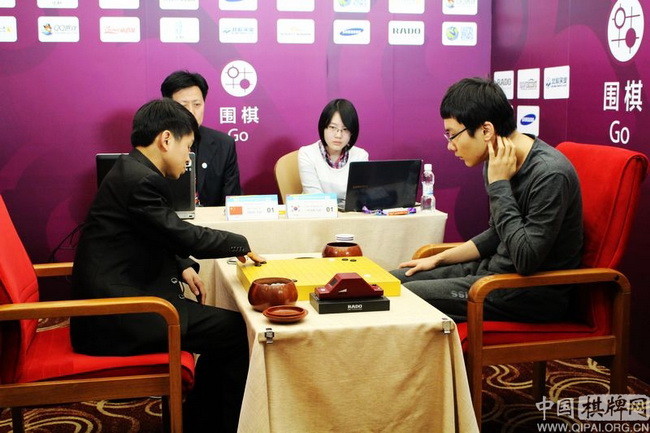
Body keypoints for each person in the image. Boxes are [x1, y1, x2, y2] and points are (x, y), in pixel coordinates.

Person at [70, 98, 264, 432]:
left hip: (122, 297)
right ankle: (216, 424)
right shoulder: (141, 181)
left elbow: (154, 233)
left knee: (228, 331)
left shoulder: (132, 169)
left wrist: (182, 264)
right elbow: (183, 234)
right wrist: (240, 243)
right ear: (166, 139)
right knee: (237, 332)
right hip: (119, 315)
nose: (189, 159)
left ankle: (202, 419)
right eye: (187, 148)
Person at [391, 77, 583, 323]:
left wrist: (500, 184)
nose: (450, 146)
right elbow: (497, 234)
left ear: (486, 131)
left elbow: (525, 259)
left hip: (531, 292)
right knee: (390, 281)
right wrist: (439, 259)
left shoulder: (550, 173)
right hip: (494, 274)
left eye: (452, 135)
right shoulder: (496, 160)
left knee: (403, 297)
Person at [161, 70, 242, 206]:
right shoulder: (157, 143)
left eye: (197, 104)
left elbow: (232, 200)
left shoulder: (224, 144)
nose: (191, 112)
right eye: (183, 106)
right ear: (167, 107)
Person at [298, 98, 369, 202]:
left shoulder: (360, 156)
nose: (338, 135)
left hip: (349, 212)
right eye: (332, 127)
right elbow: (314, 197)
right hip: (318, 210)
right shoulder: (307, 154)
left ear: (352, 132)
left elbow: (358, 197)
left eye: (345, 129)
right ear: (323, 127)